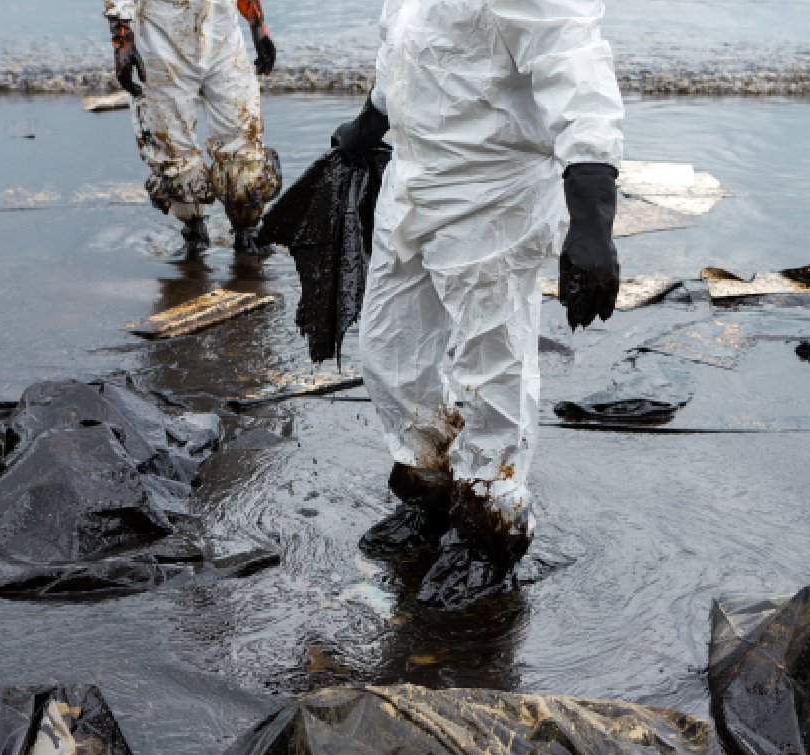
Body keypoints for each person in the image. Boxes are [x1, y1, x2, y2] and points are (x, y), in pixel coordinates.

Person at [333, 0, 624, 598]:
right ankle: (431, 490)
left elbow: (573, 60)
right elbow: (410, 40)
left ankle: (490, 526)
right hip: (413, 179)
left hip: (491, 191)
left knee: (490, 367)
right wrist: (373, 116)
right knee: (390, 351)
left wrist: (591, 210)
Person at [105, 0, 282, 257]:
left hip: (222, 38)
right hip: (161, 43)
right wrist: (122, 38)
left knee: (244, 149)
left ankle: (246, 231)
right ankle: (194, 231)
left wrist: (258, 26)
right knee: (174, 157)